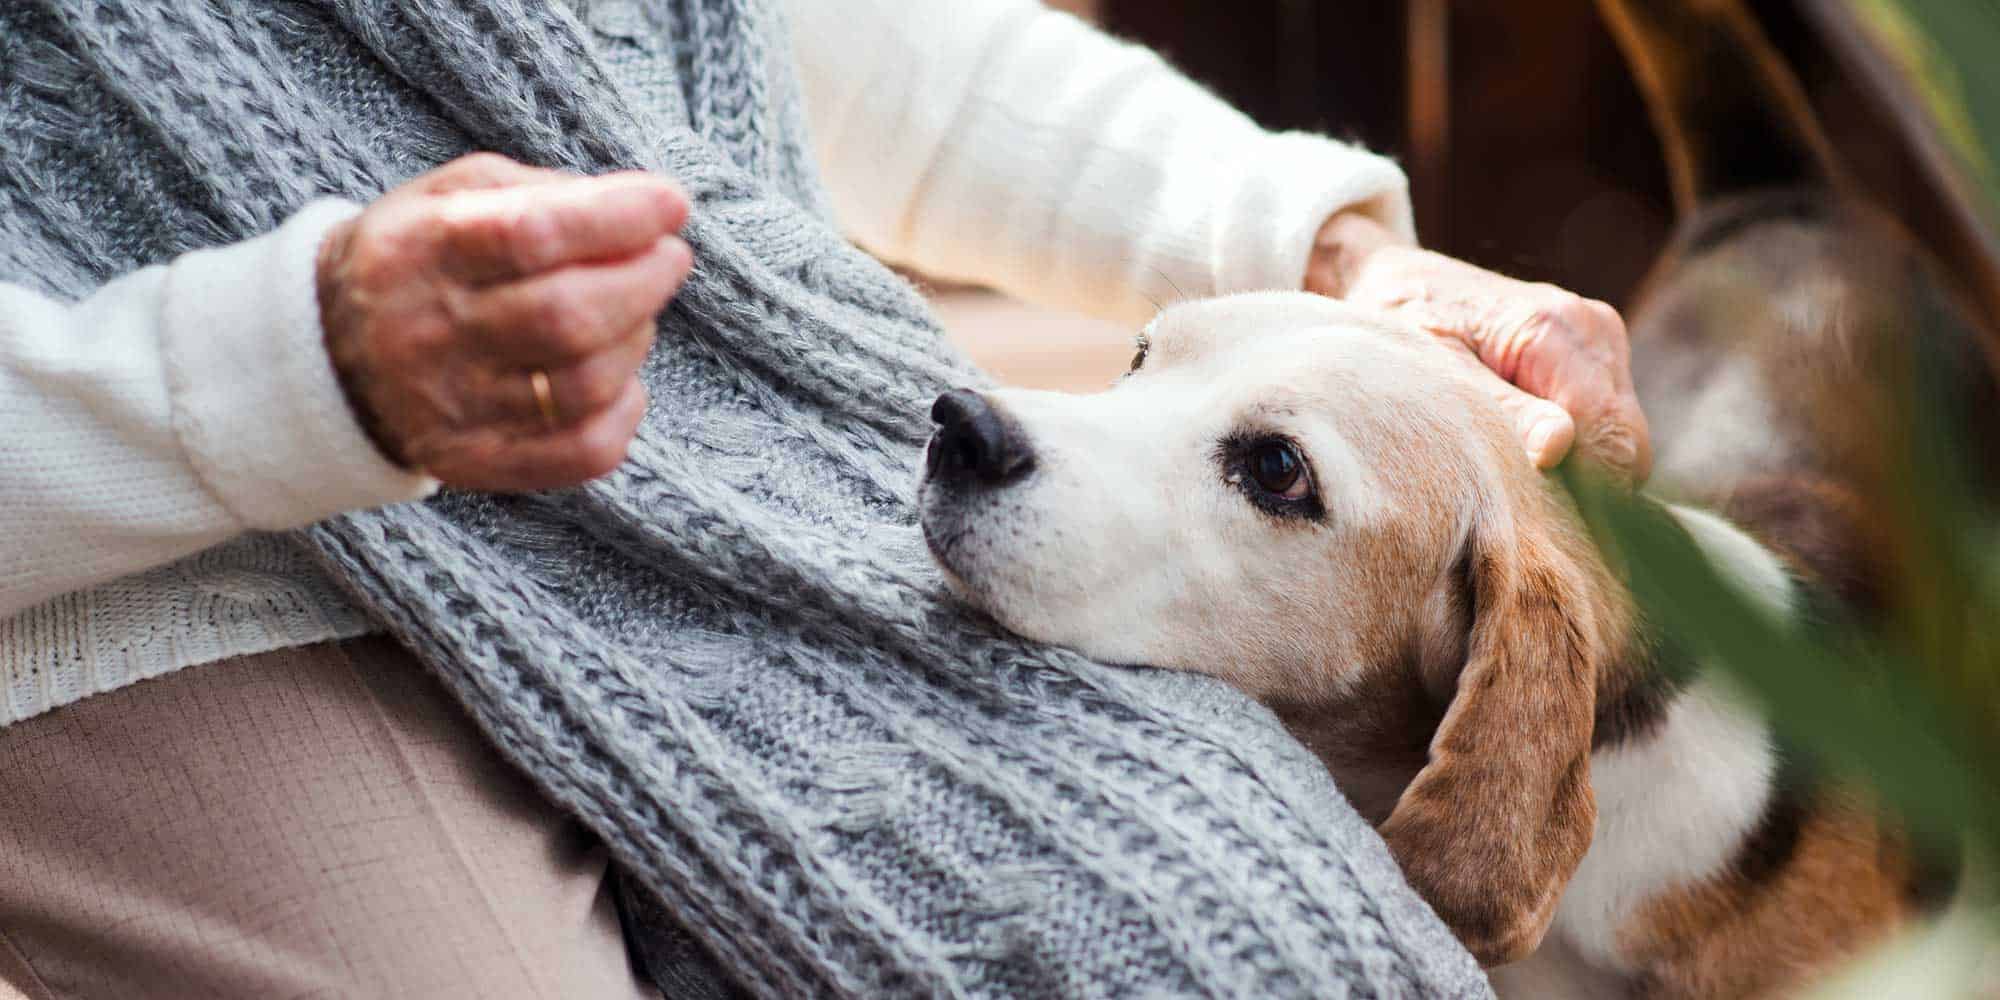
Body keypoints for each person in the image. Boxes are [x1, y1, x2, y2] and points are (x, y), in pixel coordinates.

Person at [0, 0, 1646, 996]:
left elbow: (803, 37)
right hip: (156, 563)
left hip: (732, 454)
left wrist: (1323, 253)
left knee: (1247, 939)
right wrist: (284, 374)